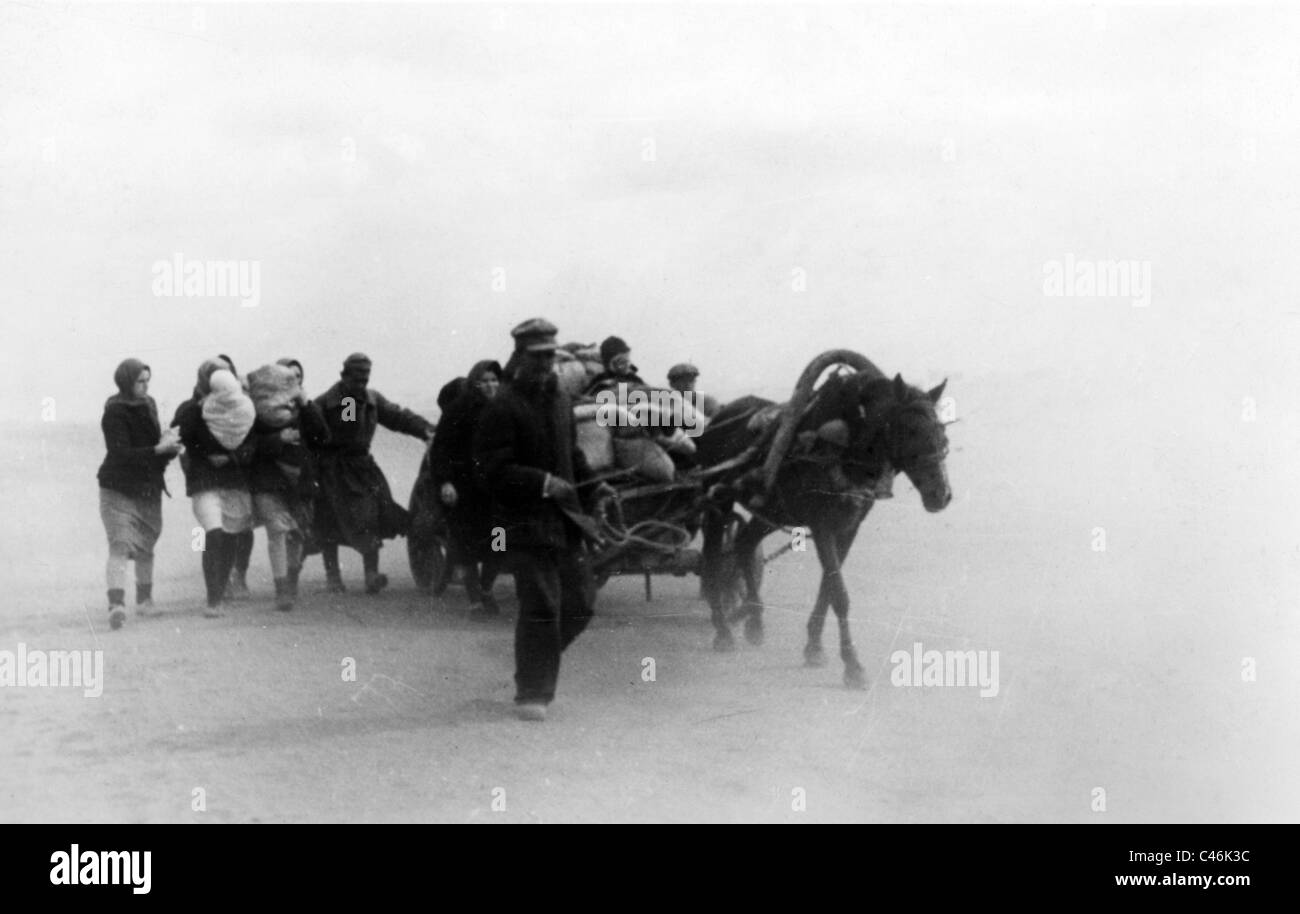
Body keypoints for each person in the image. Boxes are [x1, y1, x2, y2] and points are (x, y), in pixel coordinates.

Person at [475, 318, 614, 721]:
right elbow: (491, 470)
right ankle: (532, 692)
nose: (545, 363)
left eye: (550, 355)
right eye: (537, 356)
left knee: (582, 604)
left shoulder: (559, 401)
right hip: (521, 522)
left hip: (565, 522)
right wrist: (541, 482)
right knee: (541, 605)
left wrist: (592, 487)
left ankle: (535, 663)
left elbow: (573, 456)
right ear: (519, 356)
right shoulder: (502, 406)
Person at [314, 352, 435, 594]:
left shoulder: (371, 398)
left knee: (371, 514)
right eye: (356, 380)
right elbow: (348, 430)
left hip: (362, 467)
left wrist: (427, 430)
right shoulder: (333, 402)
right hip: (334, 469)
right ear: (343, 376)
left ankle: (371, 574)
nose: (361, 385)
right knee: (331, 520)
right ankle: (333, 576)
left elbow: (399, 417)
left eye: (365, 380)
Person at [96, 359, 183, 630]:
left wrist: (169, 449)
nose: (145, 386)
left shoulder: (150, 405)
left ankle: (145, 602)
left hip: (147, 488)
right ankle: (116, 604)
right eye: (140, 381)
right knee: (120, 544)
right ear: (125, 382)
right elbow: (120, 454)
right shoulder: (114, 412)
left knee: (146, 545)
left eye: (147, 380)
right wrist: (158, 450)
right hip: (118, 488)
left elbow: (153, 448)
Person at [176, 359, 258, 617]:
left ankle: (221, 592)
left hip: (234, 481)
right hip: (204, 482)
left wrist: (231, 458)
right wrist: (205, 455)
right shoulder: (190, 408)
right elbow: (180, 439)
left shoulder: (244, 406)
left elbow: (254, 443)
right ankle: (214, 600)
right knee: (214, 534)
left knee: (231, 537)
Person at [247, 361, 330, 611]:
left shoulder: (304, 410)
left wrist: (305, 403)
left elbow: (323, 436)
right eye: (289, 378)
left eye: (297, 378)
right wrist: (276, 439)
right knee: (278, 531)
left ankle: (291, 582)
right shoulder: (256, 410)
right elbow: (246, 445)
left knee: (297, 534)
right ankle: (282, 589)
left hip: (300, 482)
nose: (293, 383)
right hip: (268, 480)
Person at [429, 359, 503, 618]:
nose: (490, 385)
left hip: (496, 489)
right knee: (467, 546)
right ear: (474, 383)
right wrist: (446, 482)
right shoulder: (458, 410)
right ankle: (475, 601)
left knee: (499, 542)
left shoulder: (505, 409)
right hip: (465, 490)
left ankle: (485, 589)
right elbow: (441, 450)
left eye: (494, 380)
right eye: (484, 381)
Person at [582, 335, 647, 397]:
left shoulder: (634, 379)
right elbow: (583, 400)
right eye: (620, 361)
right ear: (608, 364)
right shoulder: (599, 381)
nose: (626, 365)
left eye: (626, 360)